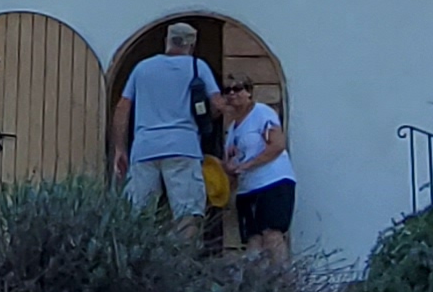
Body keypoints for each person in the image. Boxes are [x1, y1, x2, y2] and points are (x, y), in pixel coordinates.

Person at [108, 21, 218, 224]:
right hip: (183, 147)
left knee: (138, 214)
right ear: (192, 45)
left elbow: (122, 108)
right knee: (187, 214)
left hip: (145, 149)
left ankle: (140, 246)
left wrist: (120, 148)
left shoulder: (142, 68)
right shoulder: (197, 66)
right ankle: (184, 246)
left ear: (167, 40)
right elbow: (217, 104)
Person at [218, 80, 295, 264]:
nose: (232, 94)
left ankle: (282, 278)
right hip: (247, 188)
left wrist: (248, 165)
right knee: (252, 240)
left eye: (238, 89)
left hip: (272, 181)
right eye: (227, 90)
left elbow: (277, 145)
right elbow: (231, 162)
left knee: (272, 234)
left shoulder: (262, 113)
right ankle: (257, 280)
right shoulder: (231, 129)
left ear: (249, 92)